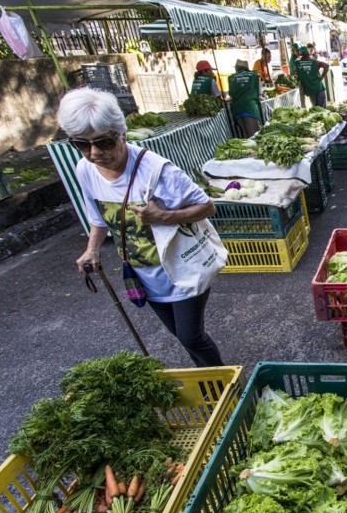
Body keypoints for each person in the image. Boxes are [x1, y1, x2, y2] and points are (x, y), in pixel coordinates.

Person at [58, 88, 224, 367]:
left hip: (181, 270)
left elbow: (207, 207)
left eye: (104, 142)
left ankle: (224, 383)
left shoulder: (157, 171)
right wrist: (92, 250)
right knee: (180, 336)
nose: (94, 153)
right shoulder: (85, 169)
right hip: (142, 275)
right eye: (82, 145)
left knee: (191, 337)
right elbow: (99, 217)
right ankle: (209, 379)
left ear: (122, 133)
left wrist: (162, 216)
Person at [228, 59, 261, 138]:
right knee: (255, 135)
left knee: (246, 135)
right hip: (250, 108)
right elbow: (259, 93)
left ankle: (251, 150)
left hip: (237, 109)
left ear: (236, 68)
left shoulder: (231, 78)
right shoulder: (254, 76)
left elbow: (231, 94)